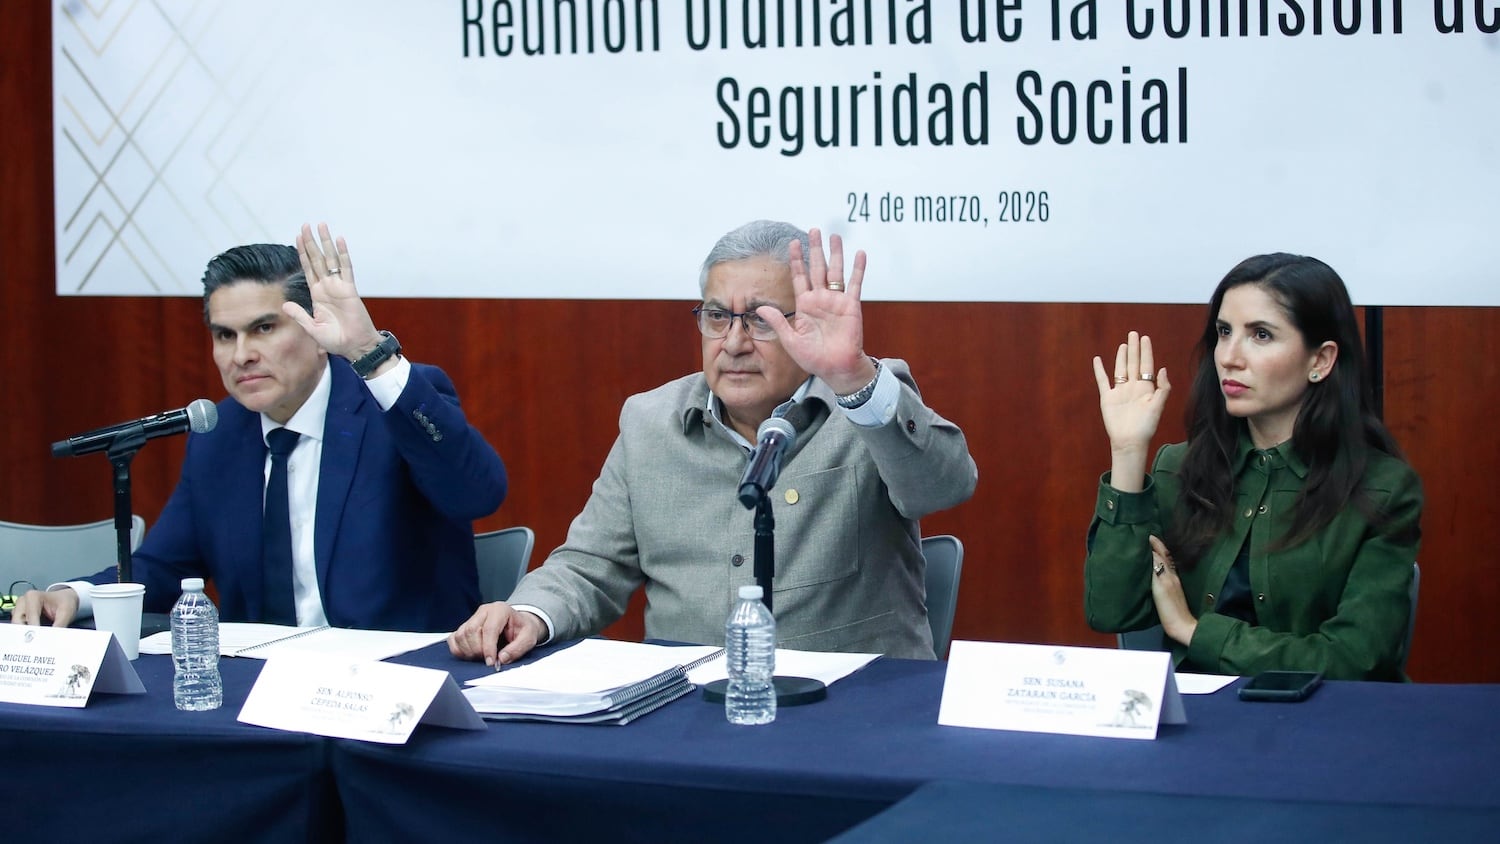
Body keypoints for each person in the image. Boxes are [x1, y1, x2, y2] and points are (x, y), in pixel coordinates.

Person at [448, 220, 976, 666]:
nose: (735, 343)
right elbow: (589, 567)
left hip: (851, 714)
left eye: (763, 321)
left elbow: (945, 486)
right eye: (717, 317)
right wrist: (530, 615)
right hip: (687, 711)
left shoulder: (866, 402)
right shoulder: (649, 422)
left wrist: (854, 377)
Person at [11, 224, 507, 632]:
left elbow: (478, 493)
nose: (241, 354)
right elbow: (164, 565)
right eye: (225, 335)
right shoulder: (221, 433)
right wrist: (74, 595)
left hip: (394, 680)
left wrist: (371, 355)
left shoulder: (393, 403)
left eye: (264, 328)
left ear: (317, 330)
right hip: (260, 686)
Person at [1084, 253, 1422, 680]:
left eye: (1261, 335)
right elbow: (1110, 610)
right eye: (1224, 332)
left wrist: (1194, 632)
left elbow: (1353, 660)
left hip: (1321, 714)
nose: (1229, 357)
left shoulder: (1384, 489)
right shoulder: (1180, 466)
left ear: (1320, 360)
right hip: (1201, 712)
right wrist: (1128, 452)